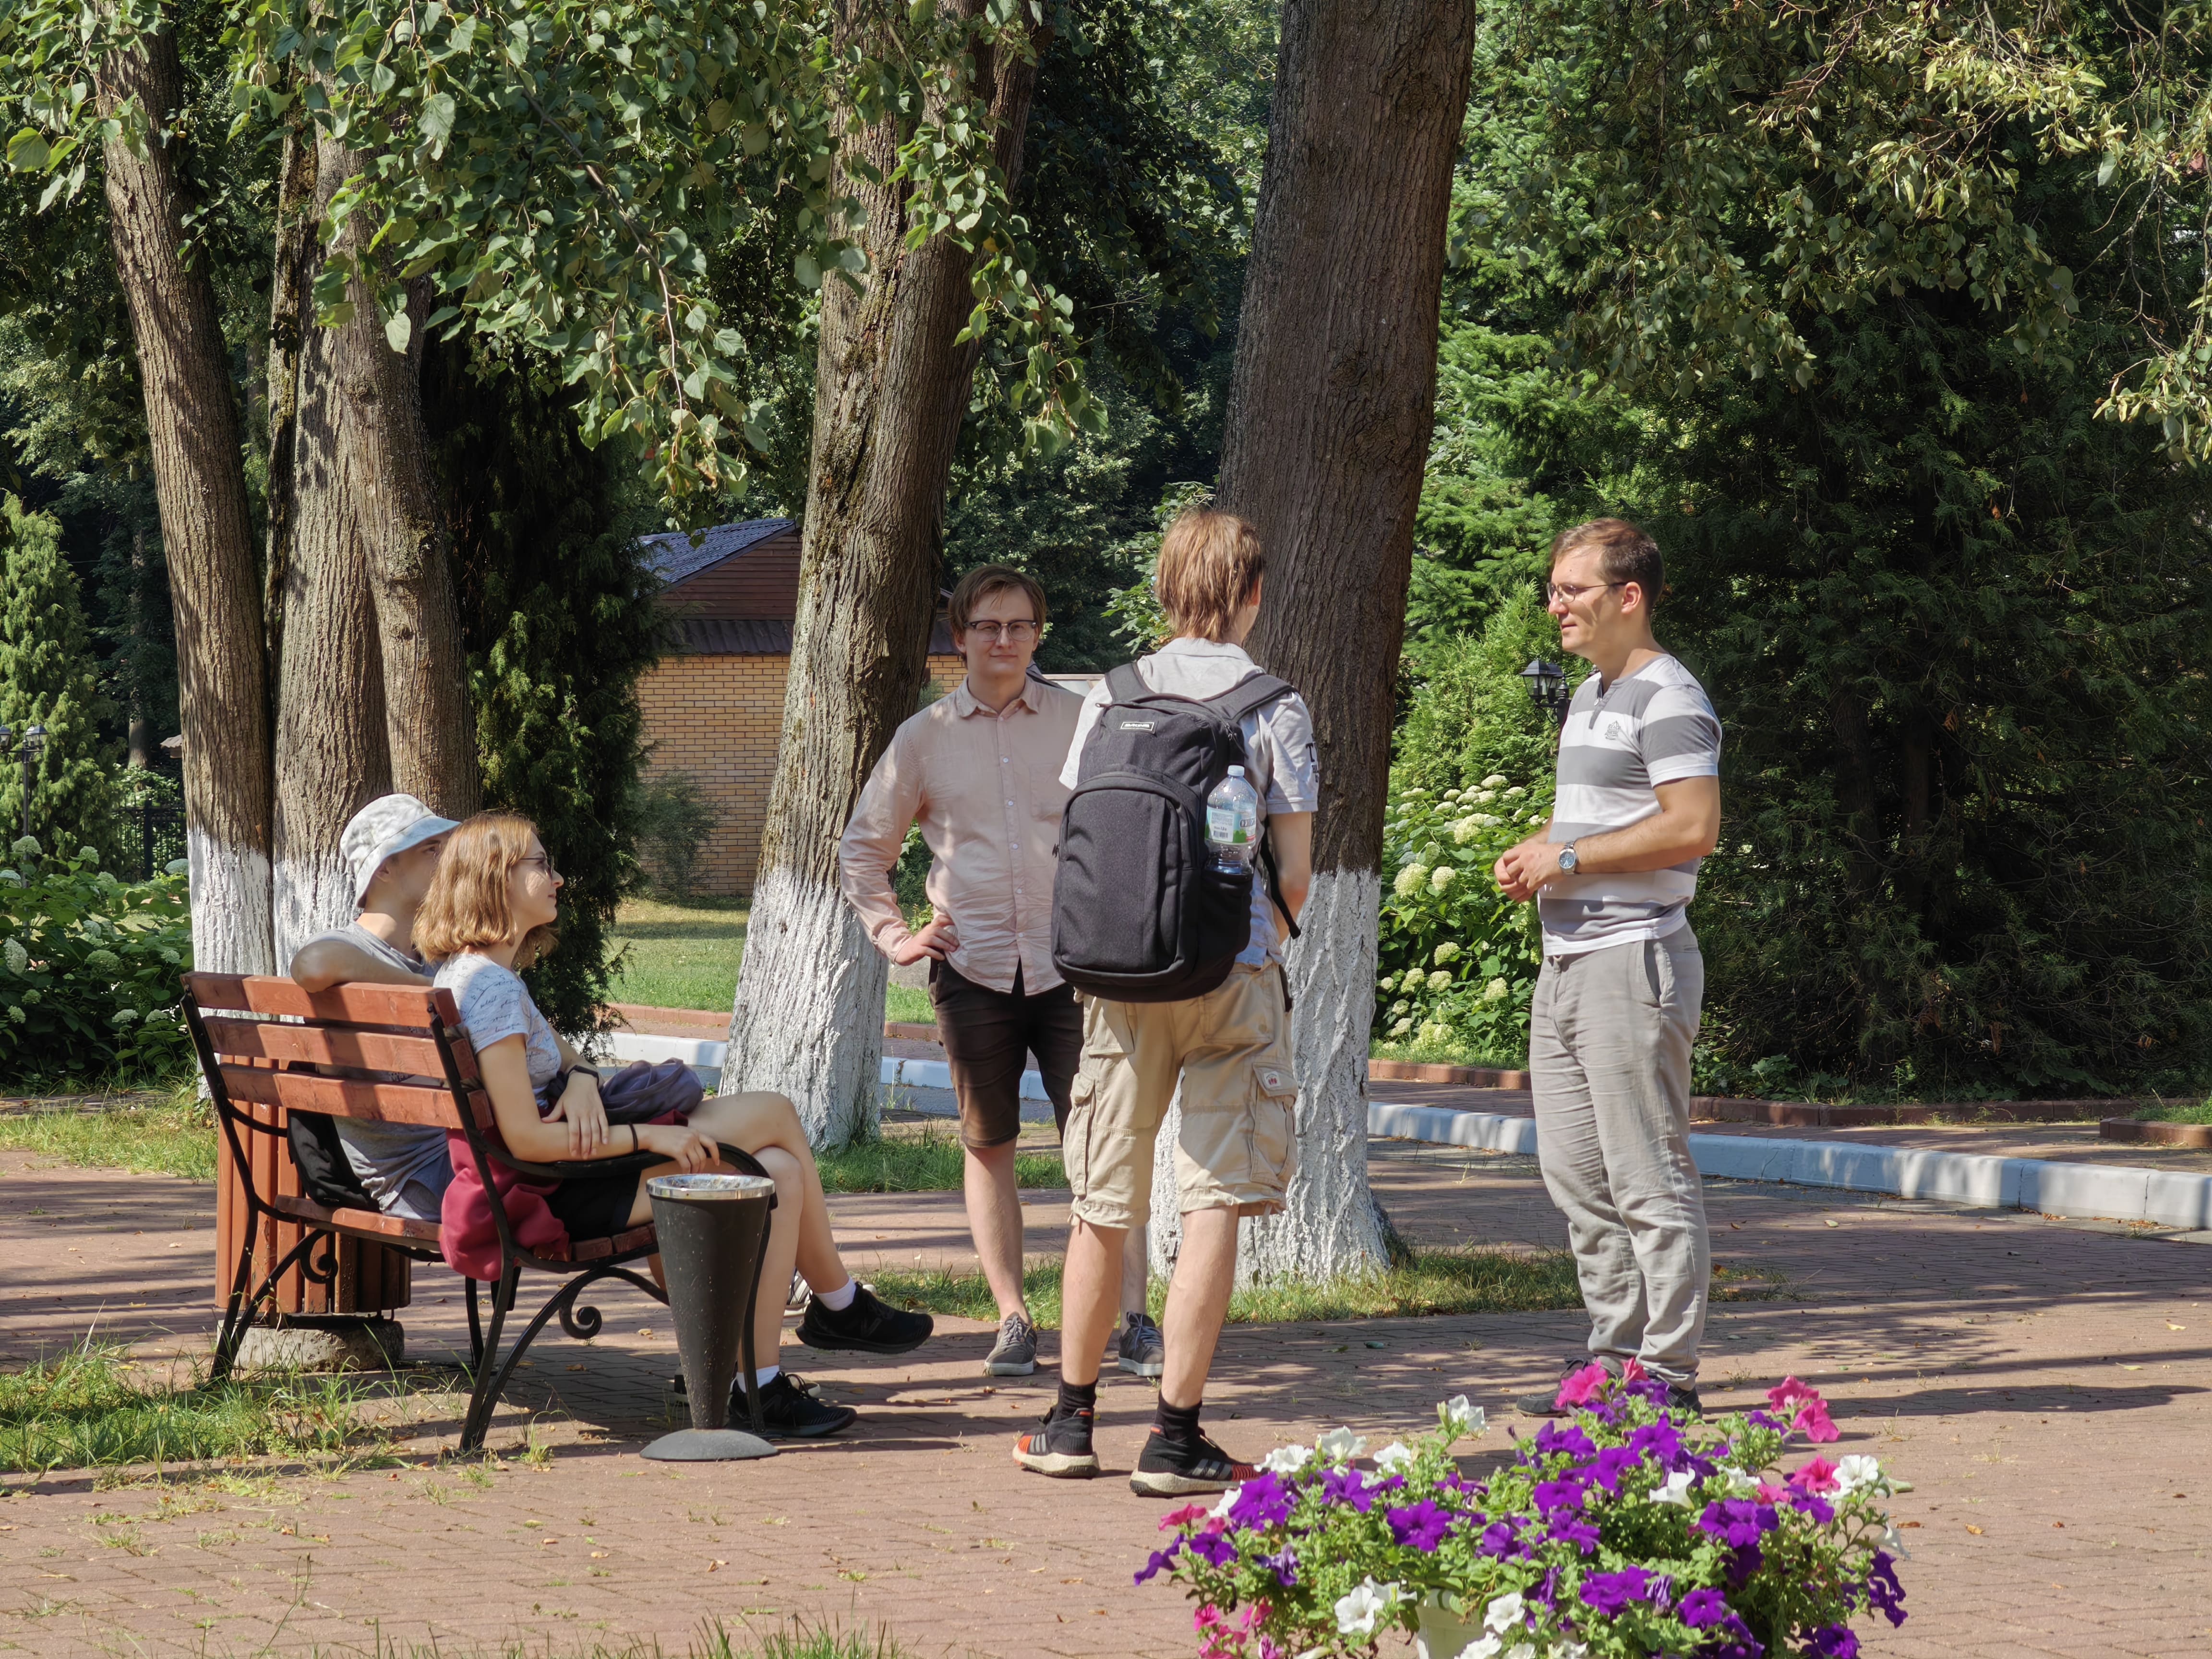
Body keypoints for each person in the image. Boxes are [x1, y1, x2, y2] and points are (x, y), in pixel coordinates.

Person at [417, 811, 934, 1438]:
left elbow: (566, 1058)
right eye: (542, 865)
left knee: (781, 1173)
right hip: (557, 1192)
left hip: (565, 1178)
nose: (558, 878)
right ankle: (836, 1308)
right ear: (497, 879)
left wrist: (582, 1081)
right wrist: (653, 1136)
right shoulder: (492, 990)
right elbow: (524, 1139)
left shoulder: (476, 977)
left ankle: (757, 1380)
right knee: (775, 1114)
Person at [1015, 507, 1315, 1496]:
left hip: (1116, 983)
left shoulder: (1110, 693)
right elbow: (1299, 873)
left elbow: (1079, 840)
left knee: (1102, 1203)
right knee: (1215, 1200)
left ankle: (1068, 1422)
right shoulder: (1277, 705)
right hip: (1231, 980)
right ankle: (1176, 1438)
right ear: (1254, 595)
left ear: (1162, 589)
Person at [840, 565, 1162, 1379]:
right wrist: (894, 937)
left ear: (1037, 634)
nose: (1005, 640)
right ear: (959, 637)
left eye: (1019, 625)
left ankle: (1133, 1318)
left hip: (1077, 972)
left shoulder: (1079, 721)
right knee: (988, 1144)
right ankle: (1012, 1317)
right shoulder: (924, 736)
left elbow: (1123, 823)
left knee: (1102, 1143)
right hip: (972, 966)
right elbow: (863, 850)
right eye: (988, 626)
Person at [1491, 518, 1723, 1417]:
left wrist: (1573, 860)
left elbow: (1691, 825)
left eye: (1572, 590)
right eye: (1552, 588)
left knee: (1645, 1174)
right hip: (1567, 966)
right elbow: (1598, 820)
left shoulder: (1668, 696)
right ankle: (1613, 1359)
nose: (1555, 605)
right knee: (1577, 1180)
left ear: (1629, 597)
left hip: (1633, 962)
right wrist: (1541, 848)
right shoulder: (1592, 694)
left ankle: (1666, 1376)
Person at [289, 793, 459, 1220]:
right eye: (430, 850)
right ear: (383, 868)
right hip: (419, 1179)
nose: (447, 860)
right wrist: (427, 991)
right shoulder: (347, 947)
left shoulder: (437, 956)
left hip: (460, 1154)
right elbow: (310, 964)